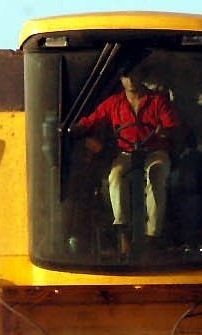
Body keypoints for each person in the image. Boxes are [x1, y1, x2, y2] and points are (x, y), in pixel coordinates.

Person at [70, 64, 180, 255]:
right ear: (121, 80)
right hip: (127, 153)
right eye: (126, 76)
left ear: (141, 76)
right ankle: (123, 231)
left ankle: (153, 235)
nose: (130, 80)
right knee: (115, 176)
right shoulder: (114, 103)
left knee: (157, 173)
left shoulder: (158, 101)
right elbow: (93, 119)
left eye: (134, 75)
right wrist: (78, 128)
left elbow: (173, 127)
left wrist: (165, 132)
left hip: (154, 152)